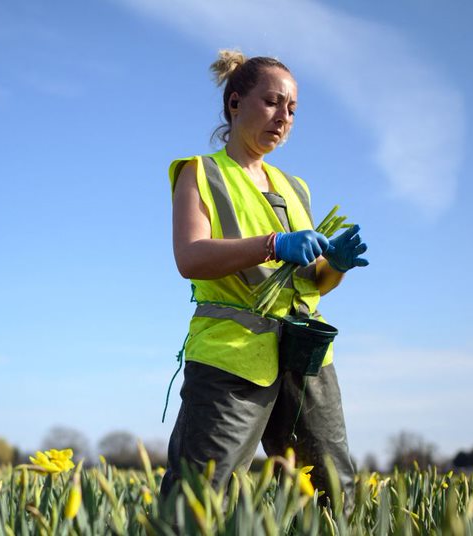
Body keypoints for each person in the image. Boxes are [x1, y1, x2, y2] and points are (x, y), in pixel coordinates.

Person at [160, 50, 369, 512]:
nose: (284, 117)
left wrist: (334, 265)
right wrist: (273, 243)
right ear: (235, 103)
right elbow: (190, 257)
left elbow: (311, 283)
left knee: (331, 495)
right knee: (199, 497)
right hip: (231, 360)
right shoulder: (200, 173)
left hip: (306, 355)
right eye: (273, 102)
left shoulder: (296, 187)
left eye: (292, 109)